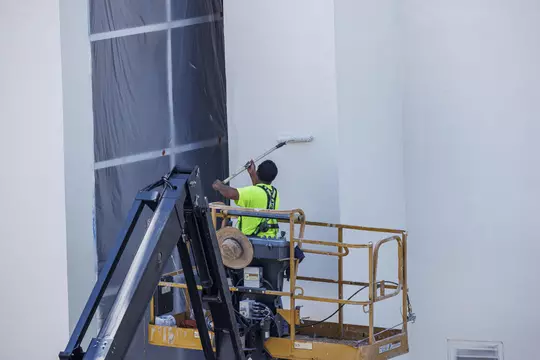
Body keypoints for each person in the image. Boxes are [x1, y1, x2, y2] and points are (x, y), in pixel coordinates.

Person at [212, 159, 280, 238]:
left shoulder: (253, 192)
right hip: (271, 239)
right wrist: (252, 174)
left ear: (258, 172)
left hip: (251, 240)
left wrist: (219, 186)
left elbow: (231, 193)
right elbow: (258, 190)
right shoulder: (274, 193)